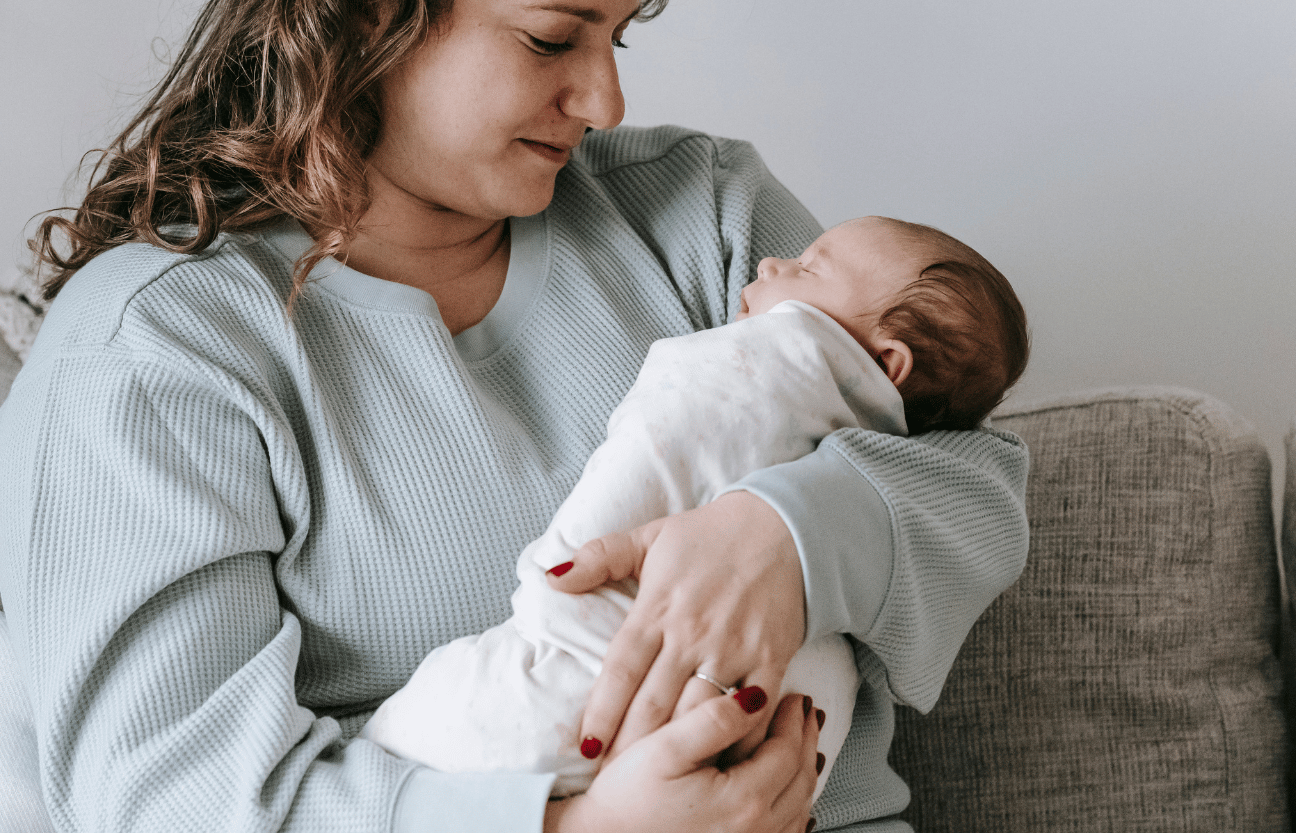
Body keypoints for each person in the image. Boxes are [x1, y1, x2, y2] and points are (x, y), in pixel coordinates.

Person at [0, 0, 1030, 831]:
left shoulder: (702, 219)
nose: (604, 98)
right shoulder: (162, 347)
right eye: (551, 40)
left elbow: (976, 480)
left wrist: (788, 539)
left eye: (617, 39)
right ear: (373, 6)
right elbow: (169, 794)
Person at [361, 217, 1030, 800]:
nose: (773, 263)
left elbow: (991, 486)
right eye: (549, 56)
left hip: (729, 770)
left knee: (420, 722)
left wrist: (784, 531)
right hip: (699, 775)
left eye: (805, 267)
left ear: (888, 364)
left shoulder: (760, 319)